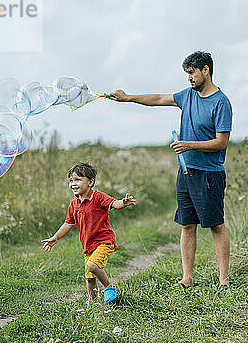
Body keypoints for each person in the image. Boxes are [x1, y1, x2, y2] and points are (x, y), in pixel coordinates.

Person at [109, 51, 232, 288]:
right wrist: (127, 98)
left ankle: (223, 280)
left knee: (216, 225)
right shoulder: (187, 96)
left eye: (192, 73)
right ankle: (187, 278)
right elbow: (157, 99)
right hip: (185, 173)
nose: (189, 78)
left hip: (209, 174)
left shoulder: (221, 102)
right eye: (187, 74)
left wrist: (188, 145)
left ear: (206, 70)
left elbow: (221, 143)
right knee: (187, 224)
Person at [41, 162, 137, 304]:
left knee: (92, 265)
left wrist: (123, 202)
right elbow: (68, 223)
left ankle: (109, 288)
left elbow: (114, 203)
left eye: (78, 179)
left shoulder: (98, 197)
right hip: (88, 246)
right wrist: (55, 237)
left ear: (90, 182)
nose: (73, 183)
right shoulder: (74, 204)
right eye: (71, 180)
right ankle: (93, 303)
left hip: (105, 241)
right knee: (90, 278)